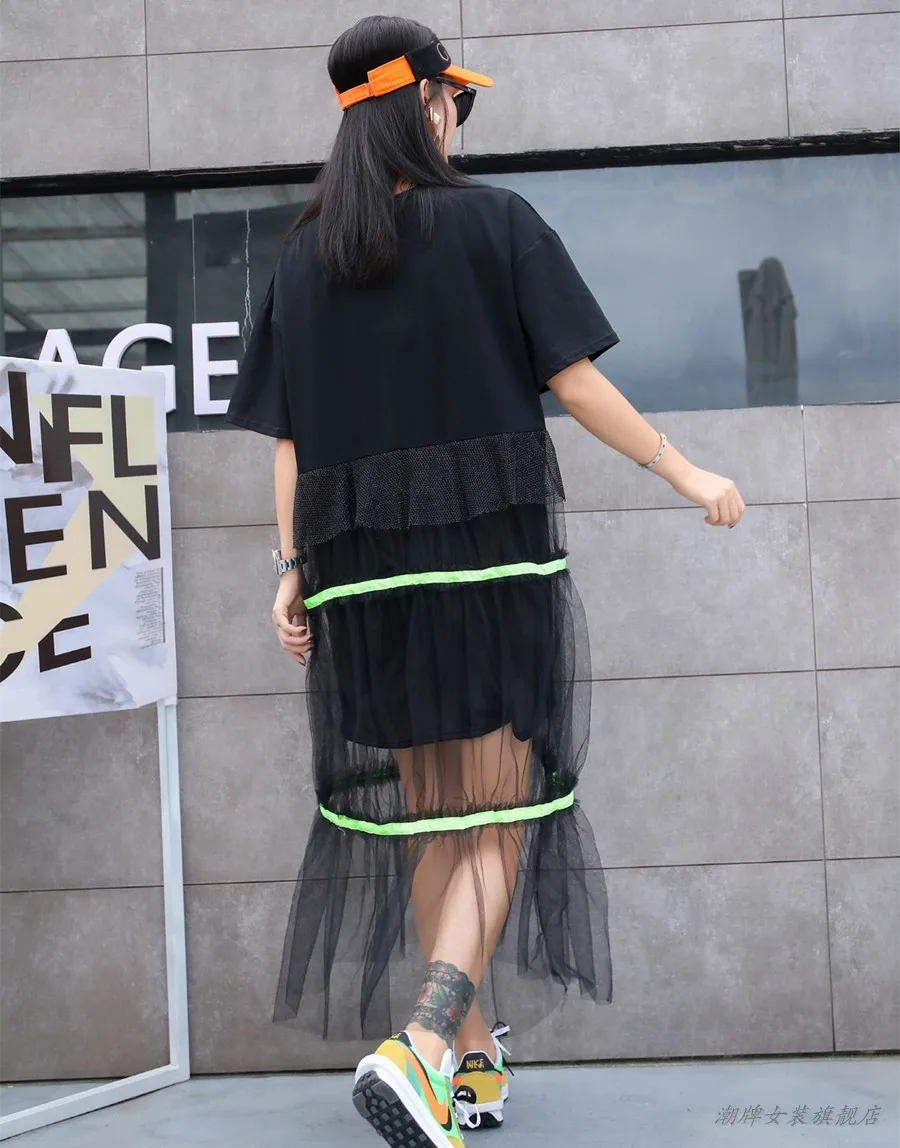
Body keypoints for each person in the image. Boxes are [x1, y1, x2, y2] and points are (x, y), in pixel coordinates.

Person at [225, 14, 745, 1147]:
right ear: (422, 106)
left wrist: (292, 572)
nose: (458, 116)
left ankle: (470, 1066)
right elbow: (575, 382)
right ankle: (421, 1043)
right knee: (500, 812)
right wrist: (684, 468)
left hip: (362, 575)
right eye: (453, 99)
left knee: (435, 817)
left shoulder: (303, 258)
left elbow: (289, 440)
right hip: (484, 557)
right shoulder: (495, 221)